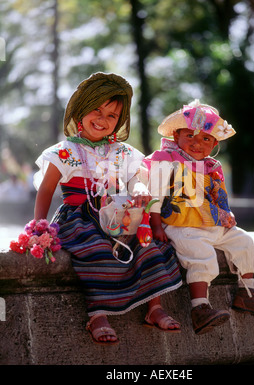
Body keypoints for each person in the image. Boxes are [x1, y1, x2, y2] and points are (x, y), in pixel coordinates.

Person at [33, 72, 182, 345]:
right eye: (96, 110)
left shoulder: (123, 153)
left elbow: (138, 178)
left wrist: (138, 189)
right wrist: (39, 226)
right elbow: (46, 189)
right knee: (95, 250)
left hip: (118, 215)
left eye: (112, 115)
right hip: (78, 218)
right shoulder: (64, 152)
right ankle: (98, 314)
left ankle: (154, 307)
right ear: (80, 110)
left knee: (149, 245)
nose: (102, 120)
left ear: (120, 122)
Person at [143, 100, 254, 335]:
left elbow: (219, 196)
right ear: (176, 136)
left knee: (244, 241)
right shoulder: (166, 159)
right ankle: (200, 307)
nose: (197, 143)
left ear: (214, 143)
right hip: (180, 222)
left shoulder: (211, 166)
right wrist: (156, 226)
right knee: (201, 254)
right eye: (190, 136)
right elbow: (155, 194)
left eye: (206, 139)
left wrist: (226, 216)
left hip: (209, 220)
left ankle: (247, 292)